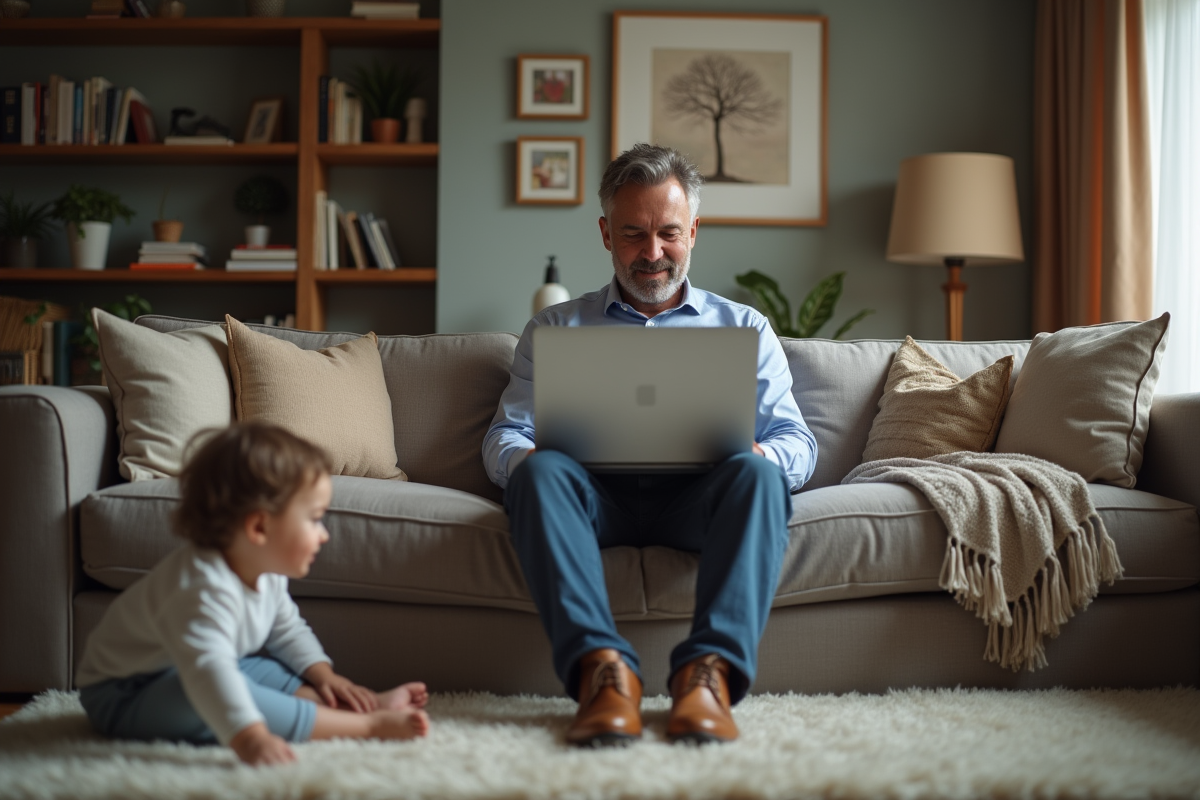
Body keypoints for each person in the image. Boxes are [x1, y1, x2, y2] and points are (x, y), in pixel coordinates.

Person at [483, 143, 817, 747]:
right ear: (606, 232)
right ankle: (603, 673)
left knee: (759, 472)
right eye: (634, 234)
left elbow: (796, 440)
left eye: (668, 233)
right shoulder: (554, 328)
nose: (653, 253)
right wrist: (526, 457)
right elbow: (506, 436)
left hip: (700, 500)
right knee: (536, 472)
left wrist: (761, 455)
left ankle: (706, 675)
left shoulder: (745, 328)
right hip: (593, 500)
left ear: (694, 230)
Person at [76, 422, 430, 766]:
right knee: (227, 692)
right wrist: (249, 737)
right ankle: (366, 725)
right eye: (314, 519)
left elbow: (286, 629)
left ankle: (347, 706)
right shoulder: (201, 588)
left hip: (192, 665)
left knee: (262, 671)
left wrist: (325, 676)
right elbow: (209, 671)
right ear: (259, 527)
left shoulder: (265, 573)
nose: (323, 535)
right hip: (125, 693)